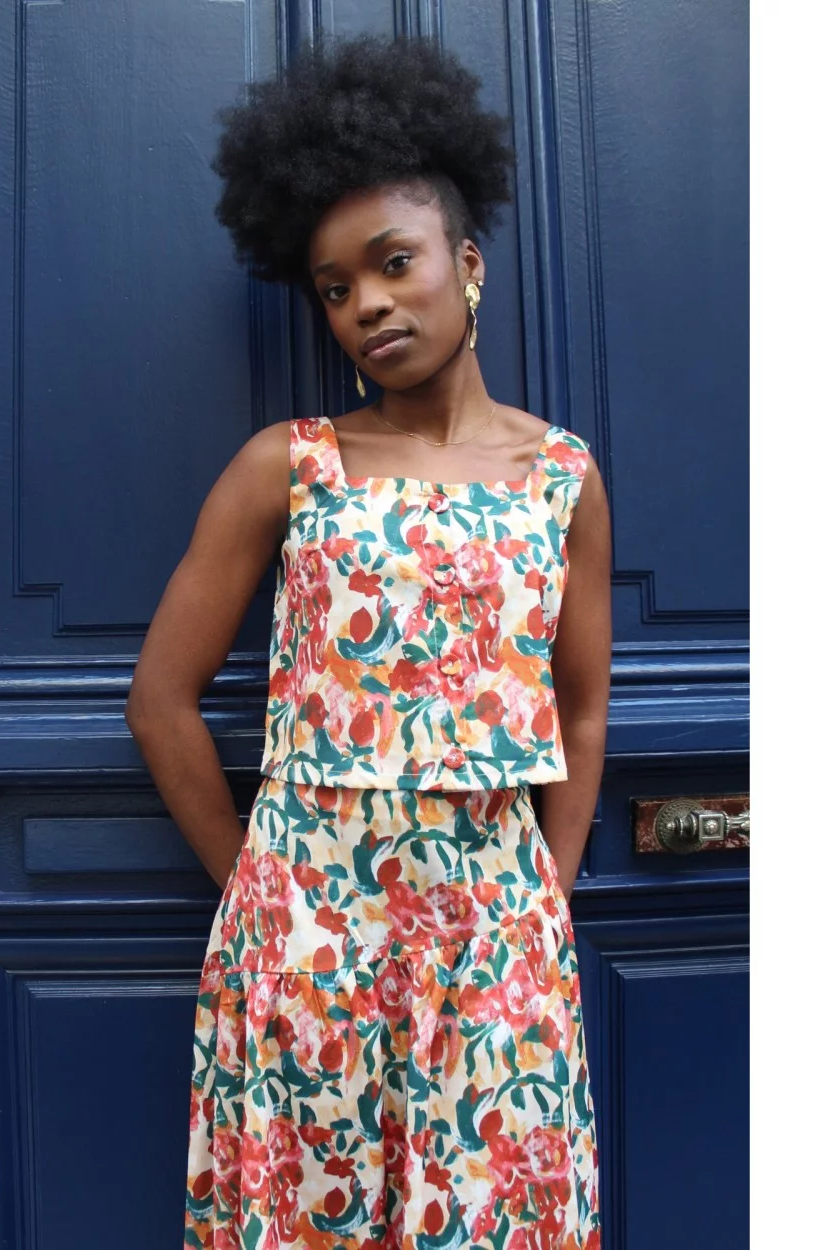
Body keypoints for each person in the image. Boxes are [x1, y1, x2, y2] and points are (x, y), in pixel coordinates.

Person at [126, 33, 609, 1249]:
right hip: (307, 932)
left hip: (492, 942)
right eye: (335, 288)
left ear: (467, 262)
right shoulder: (287, 467)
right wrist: (258, 888)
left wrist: (542, 900)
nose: (367, 305)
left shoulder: (561, 476)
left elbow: (581, 706)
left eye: (394, 263)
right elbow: (162, 697)